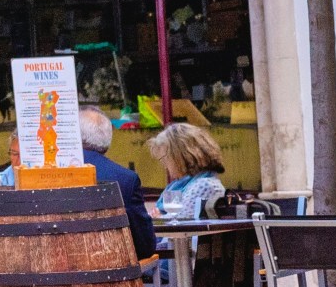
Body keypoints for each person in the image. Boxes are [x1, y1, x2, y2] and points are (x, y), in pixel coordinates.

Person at [80, 105, 159, 261]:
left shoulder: (45, 173)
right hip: (112, 273)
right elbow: (145, 246)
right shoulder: (126, 179)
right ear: (107, 140)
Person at [147, 122, 227, 222]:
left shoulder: (205, 184)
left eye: (165, 159)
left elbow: (181, 221)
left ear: (182, 156)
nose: (164, 165)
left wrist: (157, 219)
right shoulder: (180, 185)